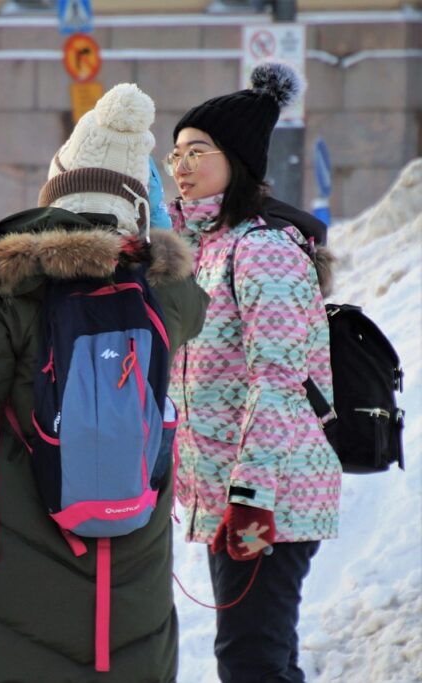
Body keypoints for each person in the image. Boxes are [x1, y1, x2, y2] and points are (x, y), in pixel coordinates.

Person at [0, 84, 208, 682]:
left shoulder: (10, 288)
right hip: (132, 556)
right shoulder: (163, 294)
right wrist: (153, 228)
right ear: (137, 203)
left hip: (17, 545)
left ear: (57, 193)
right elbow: (193, 299)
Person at [166, 61, 340, 683]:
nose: (181, 165)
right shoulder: (209, 248)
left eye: (198, 151)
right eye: (176, 152)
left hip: (271, 497)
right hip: (236, 496)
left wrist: (251, 499)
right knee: (258, 659)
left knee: (252, 664)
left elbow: (279, 381)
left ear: (236, 159)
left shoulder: (262, 248)